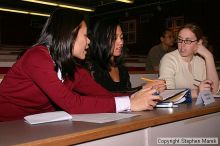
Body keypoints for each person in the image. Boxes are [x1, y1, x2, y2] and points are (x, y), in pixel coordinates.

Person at [0, 9, 162, 121]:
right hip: (7, 126)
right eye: (85, 35)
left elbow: (102, 94)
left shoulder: (74, 68)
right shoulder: (37, 57)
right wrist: (129, 103)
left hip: (37, 125)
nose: (89, 41)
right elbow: (71, 103)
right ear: (69, 35)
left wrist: (139, 96)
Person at [84, 18, 165, 93]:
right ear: (101, 39)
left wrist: (145, 88)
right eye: (114, 38)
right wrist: (142, 89)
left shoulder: (122, 69)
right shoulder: (91, 67)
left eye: (121, 37)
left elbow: (126, 93)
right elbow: (104, 99)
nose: (121, 42)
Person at [159, 23, 219, 98]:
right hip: (178, 109)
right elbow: (165, 94)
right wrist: (197, 92)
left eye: (188, 41)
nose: (182, 45)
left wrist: (209, 57)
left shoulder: (201, 61)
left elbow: (214, 91)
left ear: (199, 43)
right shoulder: (169, 59)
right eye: (180, 39)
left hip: (200, 108)